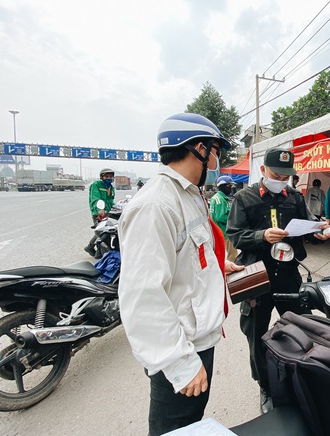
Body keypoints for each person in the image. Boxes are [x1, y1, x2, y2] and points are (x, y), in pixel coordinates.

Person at [118, 113, 243, 435]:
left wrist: (218, 266)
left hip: (199, 338)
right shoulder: (157, 205)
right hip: (180, 347)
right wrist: (179, 364)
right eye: (216, 150)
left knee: (192, 424)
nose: (217, 159)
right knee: (175, 428)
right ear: (199, 148)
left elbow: (188, 256)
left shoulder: (188, 195)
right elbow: (143, 296)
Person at [226, 147, 330, 414]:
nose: (282, 181)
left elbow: (307, 225)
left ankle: (303, 373)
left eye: (286, 177)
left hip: (287, 274)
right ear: (263, 171)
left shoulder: (295, 197)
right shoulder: (244, 198)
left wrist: (317, 231)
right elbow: (236, 235)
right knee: (256, 333)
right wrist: (262, 236)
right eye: (277, 175)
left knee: (304, 326)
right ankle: (265, 385)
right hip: (256, 274)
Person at [83, 168, 115, 259]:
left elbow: (110, 201)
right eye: (107, 176)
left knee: (105, 230)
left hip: (108, 212)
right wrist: (99, 210)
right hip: (99, 212)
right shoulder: (96, 185)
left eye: (111, 176)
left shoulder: (110, 187)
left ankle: (91, 248)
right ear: (102, 177)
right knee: (101, 232)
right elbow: (95, 198)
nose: (109, 178)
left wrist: (117, 206)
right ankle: (96, 251)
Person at [209, 175, 238, 262]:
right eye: (229, 186)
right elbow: (220, 217)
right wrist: (234, 218)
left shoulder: (217, 198)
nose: (231, 189)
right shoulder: (220, 199)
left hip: (218, 232)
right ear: (222, 186)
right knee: (232, 257)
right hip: (224, 232)